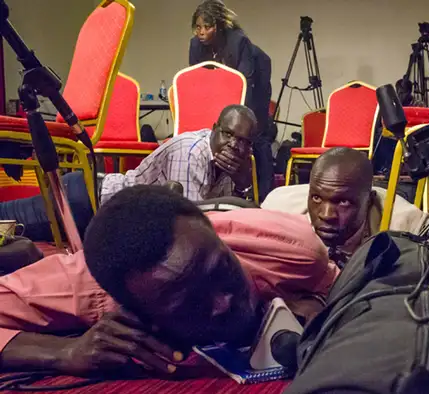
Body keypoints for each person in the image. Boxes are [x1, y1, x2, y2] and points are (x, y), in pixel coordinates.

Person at [0, 185, 338, 376]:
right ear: (135, 313)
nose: (222, 302)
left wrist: (318, 298)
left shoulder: (294, 249)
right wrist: (63, 350)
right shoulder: (84, 286)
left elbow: (341, 278)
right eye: (190, 304)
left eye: (222, 270)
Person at [0, 104, 257, 242]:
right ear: (214, 129)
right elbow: (191, 222)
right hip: (89, 201)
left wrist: (242, 183)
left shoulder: (232, 163)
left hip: (104, 217)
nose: (234, 145)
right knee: (6, 223)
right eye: (228, 134)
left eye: (244, 141)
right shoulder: (191, 152)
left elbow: (223, 219)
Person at [262, 148, 429, 267]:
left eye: (343, 202)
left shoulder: (407, 224)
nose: (327, 215)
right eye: (316, 198)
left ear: (369, 201)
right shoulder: (278, 210)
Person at [189, 0, 275, 202]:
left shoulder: (238, 41)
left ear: (218, 27)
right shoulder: (195, 44)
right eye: (198, 27)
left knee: (256, 134)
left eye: (207, 27)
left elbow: (244, 82)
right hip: (222, 92)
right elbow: (196, 79)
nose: (201, 32)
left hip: (255, 84)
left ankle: (262, 195)